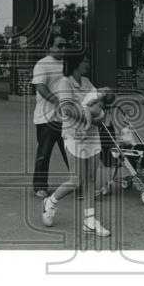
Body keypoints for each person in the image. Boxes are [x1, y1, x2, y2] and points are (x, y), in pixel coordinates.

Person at [41, 53, 112, 238]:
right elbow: (67, 109)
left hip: (92, 136)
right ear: (75, 63)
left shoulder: (87, 82)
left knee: (90, 179)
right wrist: (93, 116)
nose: (88, 63)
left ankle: (89, 221)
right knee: (76, 180)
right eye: (85, 61)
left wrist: (98, 117)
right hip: (74, 136)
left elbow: (101, 105)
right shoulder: (64, 83)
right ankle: (50, 202)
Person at [30, 34, 68, 198]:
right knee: (44, 153)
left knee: (71, 151)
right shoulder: (42, 64)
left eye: (65, 45)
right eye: (59, 45)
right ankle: (40, 186)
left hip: (66, 118)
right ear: (50, 47)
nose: (63, 49)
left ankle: (79, 182)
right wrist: (57, 101)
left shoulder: (67, 65)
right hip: (46, 118)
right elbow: (40, 87)